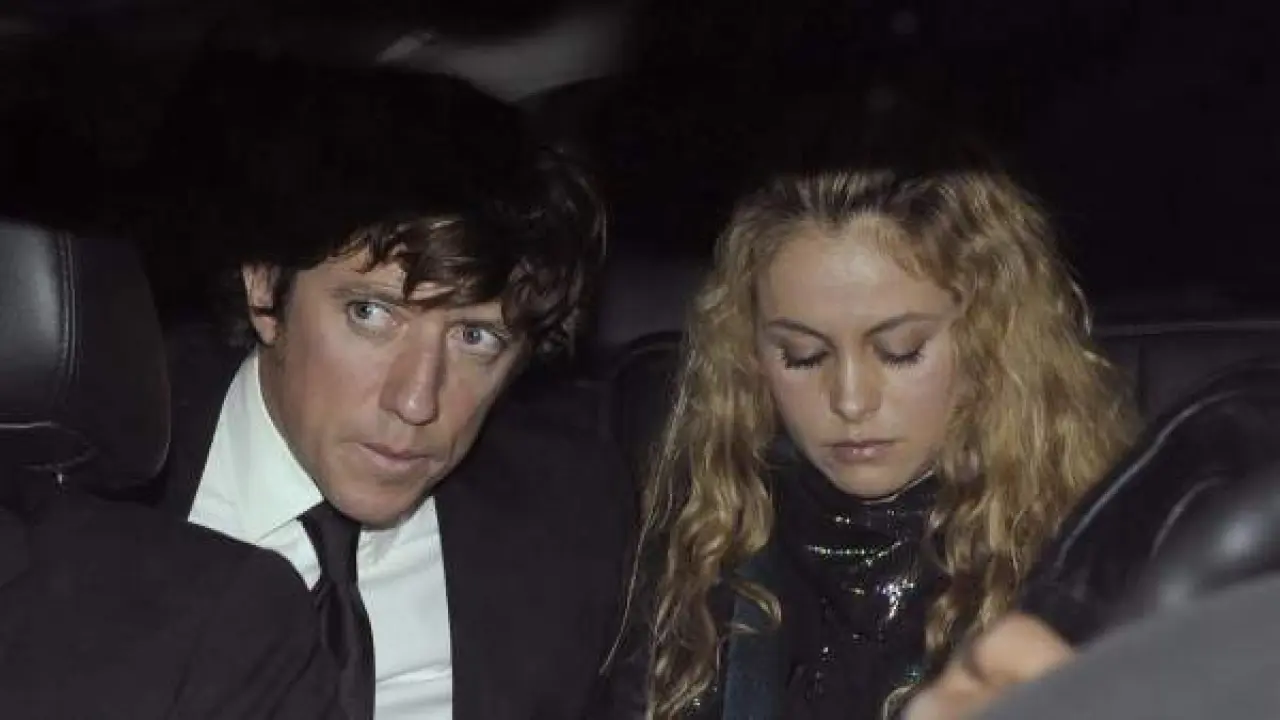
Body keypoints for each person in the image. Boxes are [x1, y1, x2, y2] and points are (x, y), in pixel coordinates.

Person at [145, 56, 635, 720]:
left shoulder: (577, 517)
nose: (415, 401)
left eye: (475, 337)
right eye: (371, 314)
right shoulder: (88, 494)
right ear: (264, 286)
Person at [621, 163, 1138, 719]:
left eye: (900, 351)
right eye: (803, 356)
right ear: (750, 356)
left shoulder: (1086, 568)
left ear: (992, 345)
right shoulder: (705, 535)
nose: (850, 400)